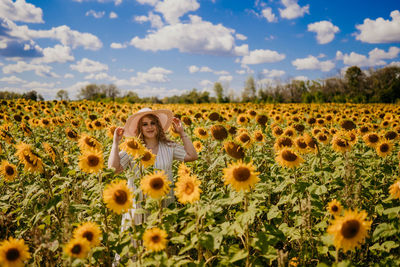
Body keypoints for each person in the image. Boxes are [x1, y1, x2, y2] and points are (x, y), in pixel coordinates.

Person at [108, 107, 198, 225]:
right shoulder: (132, 148)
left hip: (164, 204)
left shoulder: (169, 146)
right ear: (140, 128)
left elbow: (192, 156)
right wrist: (116, 142)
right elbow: (113, 169)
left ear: (158, 126)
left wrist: (182, 133)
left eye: (152, 123)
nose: (149, 127)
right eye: (145, 124)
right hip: (139, 206)